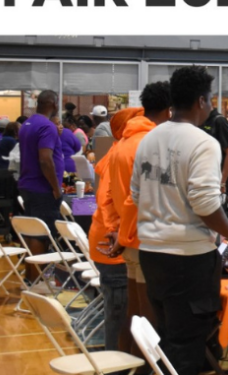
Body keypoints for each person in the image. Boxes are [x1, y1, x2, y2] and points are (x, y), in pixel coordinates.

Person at [130, 68, 228, 375]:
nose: (210, 107)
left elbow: (136, 193)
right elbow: (206, 205)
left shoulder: (148, 139)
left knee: (167, 338)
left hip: (152, 254)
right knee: (186, 347)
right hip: (188, 258)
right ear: (201, 101)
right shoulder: (203, 142)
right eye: (209, 101)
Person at [101, 83, 171, 361]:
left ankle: (127, 366)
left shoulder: (122, 144)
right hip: (146, 240)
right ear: (169, 110)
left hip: (130, 239)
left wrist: (116, 231)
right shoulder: (151, 144)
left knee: (134, 315)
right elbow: (142, 197)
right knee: (149, 321)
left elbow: (108, 196)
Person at [87, 107, 141, 353]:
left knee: (122, 312)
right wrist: (118, 236)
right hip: (114, 246)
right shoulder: (122, 153)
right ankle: (115, 366)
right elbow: (107, 201)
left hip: (114, 242)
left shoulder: (117, 151)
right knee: (119, 315)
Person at [17, 90, 64, 289]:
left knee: (31, 232)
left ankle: (30, 277)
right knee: (40, 235)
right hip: (42, 188)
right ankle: (36, 281)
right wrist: (55, 188)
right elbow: (45, 160)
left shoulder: (27, 124)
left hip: (27, 185)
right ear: (53, 104)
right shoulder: (47, 126)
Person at [199, 102, 228, 202]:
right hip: (201, 177)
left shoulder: (219, 121)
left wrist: (222, 182)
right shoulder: (200, 121)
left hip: (216, 179)